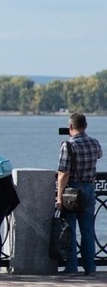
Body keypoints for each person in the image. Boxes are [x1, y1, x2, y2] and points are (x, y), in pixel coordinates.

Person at [56, 112, 102, 275]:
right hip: (89, 188)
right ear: (86, 126)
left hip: (72, 191)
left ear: (70, 127)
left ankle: (72, 267)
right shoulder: (94, 143)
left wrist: (59, 196)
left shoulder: (68, 146)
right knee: (88, 230)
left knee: (70, 228)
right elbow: (99, 155)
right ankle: (90, 268)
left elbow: (63, 173)